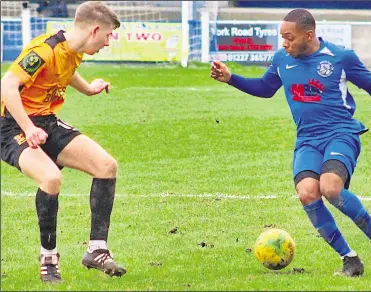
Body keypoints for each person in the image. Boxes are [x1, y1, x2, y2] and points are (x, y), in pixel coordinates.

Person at [211, 8, 371, 277]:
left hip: (340, 133)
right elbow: (264, 88)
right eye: (282, 38)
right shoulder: (282, 60)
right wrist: (231, 78)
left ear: (308, 35)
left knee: (331, 188)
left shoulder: (341, 58)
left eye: (289, 38)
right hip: (307, 139)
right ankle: (350, 259)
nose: (284, 43)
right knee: (308, 193)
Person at [1, 1, 126, 283]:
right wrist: (28, 128)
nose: (108, 42)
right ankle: (48, 256)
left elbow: (65, 73)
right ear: (94, 29)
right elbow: (7, 85)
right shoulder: (44, 49)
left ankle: (97, 250)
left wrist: (89, 88)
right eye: (107, 35)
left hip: (46, 122)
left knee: (106, 166)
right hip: (11, 126)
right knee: (51, 178)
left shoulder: (75, 50)